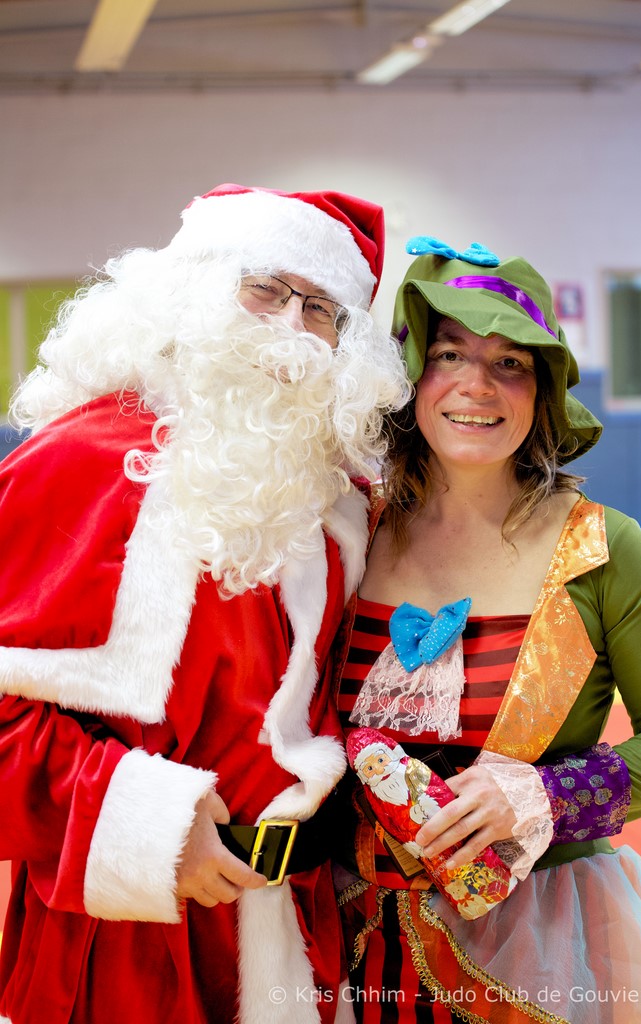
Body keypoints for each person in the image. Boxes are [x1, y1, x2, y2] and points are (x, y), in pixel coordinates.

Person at [0, 182, 410, 1024]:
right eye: (265, 289)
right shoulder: (73, 463)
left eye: (321, 309)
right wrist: (147, 823)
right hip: (125, 941)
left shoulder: (344, 507)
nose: (290, 326)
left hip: (302, 928)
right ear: (191, 289)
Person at [333, 236, 641, 1023]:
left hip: (533, 951)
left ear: (542, 390)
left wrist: (544, 795)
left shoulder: (601, 549)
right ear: (410, 375)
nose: (476, 385)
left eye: (509, 362)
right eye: (448, 354)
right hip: (341, 946)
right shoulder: (349, 534)